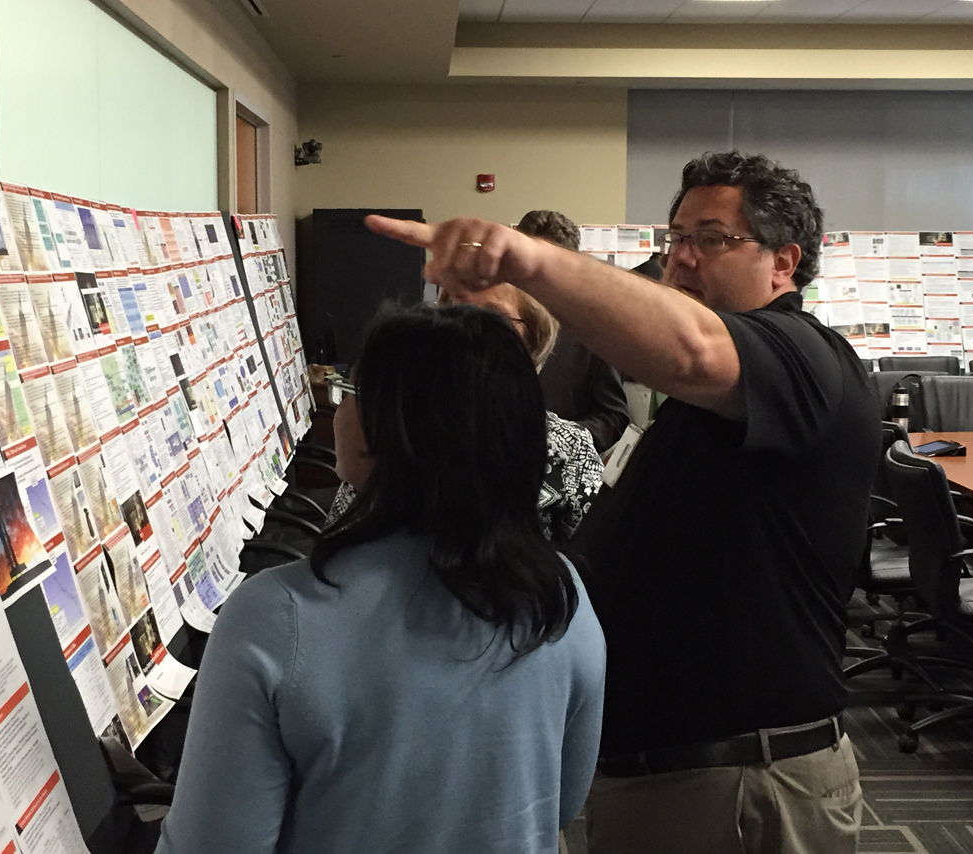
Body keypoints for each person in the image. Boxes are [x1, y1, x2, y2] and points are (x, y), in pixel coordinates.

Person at [367, 150, 879, 854]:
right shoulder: (710, 409)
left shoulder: (806, 360)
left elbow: (691, 349)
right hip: (678, 777)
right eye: (675, 239)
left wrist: (526, 261)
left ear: (783, 263)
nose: (682, 259)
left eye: (711, 239)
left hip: (741, 784)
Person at [157, 303, 606, 854]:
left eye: (349, 391)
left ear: (382, 428)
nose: (339, 409)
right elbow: (562, 802)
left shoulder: (276, 615)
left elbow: (214, 843)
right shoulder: (561, 596)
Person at [330, 285, 604, 543]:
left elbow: (588, 562)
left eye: (492, 318)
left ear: (535, 338)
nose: (464, 334)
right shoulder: (400, 430)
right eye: (454, 314)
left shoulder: (570, 449)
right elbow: (338, 538)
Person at [516, 210, 630, 454]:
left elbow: (612, 418)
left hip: (558, 477)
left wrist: (557, 440)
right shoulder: (491, 321)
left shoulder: (594, 331)